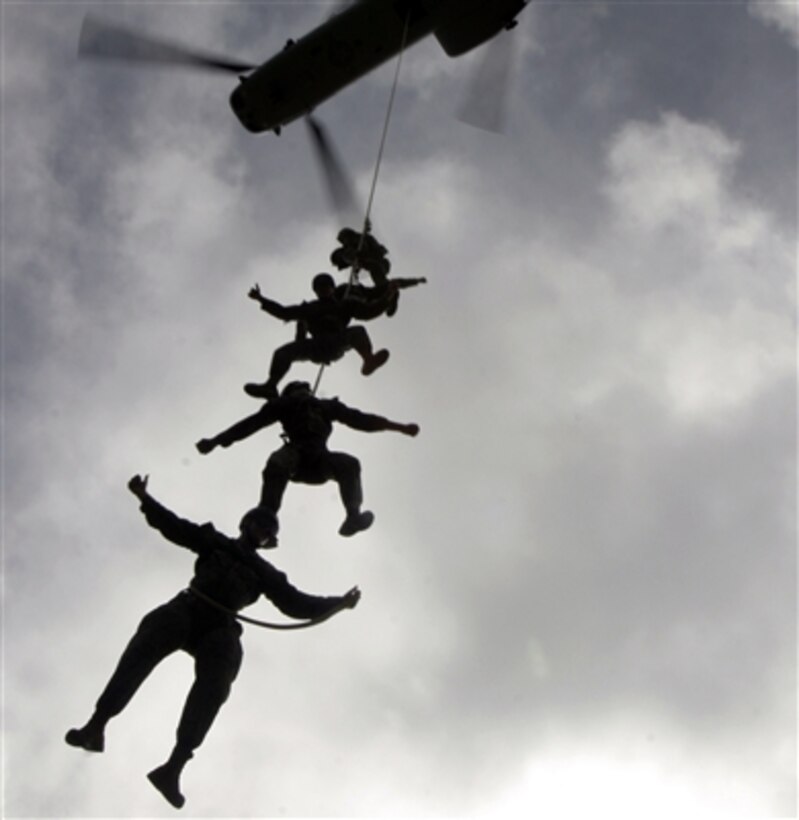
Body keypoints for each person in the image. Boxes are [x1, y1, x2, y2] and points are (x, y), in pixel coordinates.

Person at [65, 474, 360, 810]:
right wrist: (144, 498)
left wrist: (338, 603)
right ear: (246, 524)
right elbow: (176, 527)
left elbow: (296, 603)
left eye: (268, 532)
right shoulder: (215, 541)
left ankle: (173, 767)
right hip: (189, 607)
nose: (262, 532)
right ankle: (96, 724)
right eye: (259, 525)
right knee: (144, 647)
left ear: (269, 541)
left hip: (220, 627)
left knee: (217, 684)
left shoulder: (267, 574)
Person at [197, 381, 420, 537]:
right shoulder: (284, 405)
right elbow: (250, 424)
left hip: (319, 461)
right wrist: (217, 440)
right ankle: (265, 516)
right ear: (290, 393)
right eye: (299, 389)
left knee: (349, 464)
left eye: (306, 389)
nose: (305, 392)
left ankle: (353, 515)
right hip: (296, 459)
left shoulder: (325, 407)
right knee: (279, 461)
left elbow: (361, 419)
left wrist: (397, 427)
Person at [244, 273, 397, 400]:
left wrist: (387, 298)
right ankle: (270, 386)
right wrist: (261, 299)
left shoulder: (344, 305)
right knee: (282, 353)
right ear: (316, 291)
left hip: (336, 342)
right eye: (319, 288)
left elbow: (369, 311)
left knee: (358, 331)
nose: (323, 290)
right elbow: (283, 312)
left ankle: (368, 359)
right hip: (316, 345)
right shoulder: (310, 308)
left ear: (332, 288)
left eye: (326, 287)